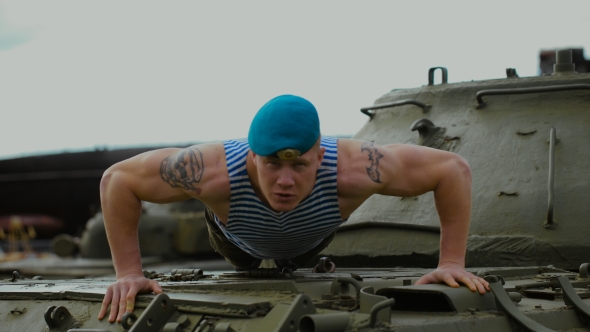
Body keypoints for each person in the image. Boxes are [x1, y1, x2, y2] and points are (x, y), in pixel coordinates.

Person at [97, 94, 490, 323]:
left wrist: (452, 263)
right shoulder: (209, 171)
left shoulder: (357, 169)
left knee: (299, 253)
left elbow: (452, 169)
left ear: (320, 155)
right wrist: (129, 273)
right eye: (272, 164)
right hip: (235, 238)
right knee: (245, 263)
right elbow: (119, 181)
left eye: (299, 165)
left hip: (311, 239)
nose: (285, 181)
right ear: (251, 156)